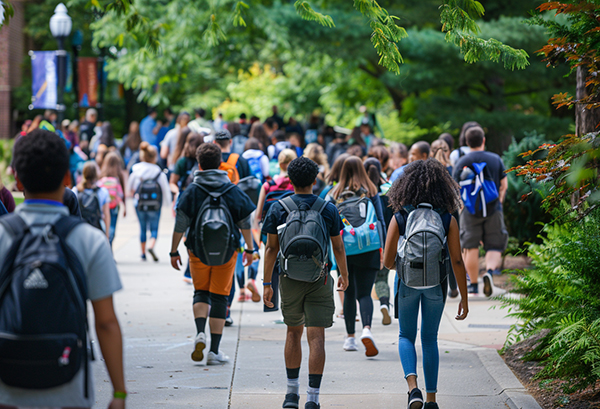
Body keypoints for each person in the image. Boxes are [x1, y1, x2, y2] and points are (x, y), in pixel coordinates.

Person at [0, 129, 125, 408]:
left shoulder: (2, 236)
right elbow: (106, 323)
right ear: (68, 179)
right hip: (69, 384)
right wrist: (118, 393)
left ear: (17, 180)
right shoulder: (89, 239)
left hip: (7, 385)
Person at [262, 156, 349, 409]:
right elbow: (338, 246)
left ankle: (291, 395)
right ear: (315, 180)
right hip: (319, 278)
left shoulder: (278, 207)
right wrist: (343, 274)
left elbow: (270, 249)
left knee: (293, 331)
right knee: (316, 336)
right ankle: (313, 397)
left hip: (289, 278)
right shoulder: (328, 208)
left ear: (290, 180)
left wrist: (267, 283)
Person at [383, 158, 469, 409]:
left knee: (405, 336)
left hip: (407, 283)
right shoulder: (446, 218)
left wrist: (404, 263)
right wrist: (463, 297)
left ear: (406, 186)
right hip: (436, 285)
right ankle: (432, 399)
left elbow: (388, 262)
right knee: (430, 338)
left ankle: (413, 389)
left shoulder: (400, 217)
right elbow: (457, 261)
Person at [169, 143, 255, 365]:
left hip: (197, 251)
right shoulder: (232, 190)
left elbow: (180, 223)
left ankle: (200, 332)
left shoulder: (192, 191)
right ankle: (214, 351)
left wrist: (173, 251)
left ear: (199, 165)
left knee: (201, 292)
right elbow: (245, 222)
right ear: (220, 164)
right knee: (219, 296)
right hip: (227, 253)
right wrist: (250, 248)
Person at [328, 156, 386, 357]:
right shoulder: (370, 192)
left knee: (349, 292)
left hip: (345, 249)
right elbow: (380, 221)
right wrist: (384, 249)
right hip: (369, 247)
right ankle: (367, 329)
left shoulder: (334, 194)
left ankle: (350, 338)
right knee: (365, 293)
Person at [453, 126, 508, 296]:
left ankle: (474, 285)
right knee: (495, 244)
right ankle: (490, 273)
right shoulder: (495, 159)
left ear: (467, 142)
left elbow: (454, 188)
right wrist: (498, 203)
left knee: (470, 246)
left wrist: (462, 207)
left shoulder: (462, 162)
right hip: (493, 208)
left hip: (470, 210)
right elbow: (504, 185)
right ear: (484, 140)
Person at [128, 142, 172, 262]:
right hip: (155, 204)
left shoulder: (136, 171)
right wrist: (168, 205)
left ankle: (143, 253)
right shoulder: (159, 172)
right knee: (154, 227)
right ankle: (151, 245)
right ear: (155, 157)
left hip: (140, 204)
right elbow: (165, 190)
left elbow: (129, 187)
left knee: (142, 228)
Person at [364, 157, 393, 325]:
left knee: (366, 279)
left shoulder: (362, 191)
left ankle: (365, 311)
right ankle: (384, 303)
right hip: (387, 240)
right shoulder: (389, 190)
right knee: (382, 278)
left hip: (365, 242)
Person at [73, 161, 111, 240]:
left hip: (81, 229)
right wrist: (107, 234)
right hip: (97, 229)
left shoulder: (75, 191)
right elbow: (106, 214)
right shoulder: (103, 192)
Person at [99, 152, 127, 248]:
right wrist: (125, 207)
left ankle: (106, 247)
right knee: (112, 227)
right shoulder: (118, 178)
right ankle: (109, 247)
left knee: (104, 226)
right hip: (114, 206)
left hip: (103, 206)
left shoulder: (102, 177)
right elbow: (122, 193)